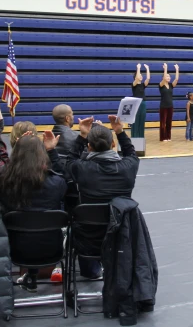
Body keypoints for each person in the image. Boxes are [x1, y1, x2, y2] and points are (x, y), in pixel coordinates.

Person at [66, 115, 139, 280]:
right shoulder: (128, 168)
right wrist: (119, 131)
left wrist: (82, 135)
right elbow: (131, 153)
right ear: (113, 145)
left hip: (88, 240)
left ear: (89, 147)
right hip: (121, 235)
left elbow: (70, 160)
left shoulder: (82, 168)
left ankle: (91, 271)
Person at [0, 132, 67, 293]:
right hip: (52, 248)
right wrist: (51, 152)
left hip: (15, 249)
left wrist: (20, 148)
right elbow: (65, 177)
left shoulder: (4, 182)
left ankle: (30, 275)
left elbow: (5, 169)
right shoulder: (56, 183)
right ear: (42, 155)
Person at [158, 63, 179, 142]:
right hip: (163, 106)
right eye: (167, 76)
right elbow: (163, 80)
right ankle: (163, 137)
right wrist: (165, 69)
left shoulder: (171, 85)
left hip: (170, 106)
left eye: (169, 76)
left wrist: (177, 70)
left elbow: (176, 79)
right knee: (163, 123)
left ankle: (168, 136)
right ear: (163, 77)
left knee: (169, 122)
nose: (168, 77)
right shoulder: (161, 85)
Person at [131, 64, 151, 138]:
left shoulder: (143, 85)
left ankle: (141, 137)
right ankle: (135, 136)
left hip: (143, 103)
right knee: (135, 120)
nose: (141, 76)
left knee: (142, 120)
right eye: (139, 75)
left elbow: (148, 78)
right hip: (136, 104)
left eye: (141, 75)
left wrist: (147, 68)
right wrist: (138, 68)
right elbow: (136, 79)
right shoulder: (134, 84)